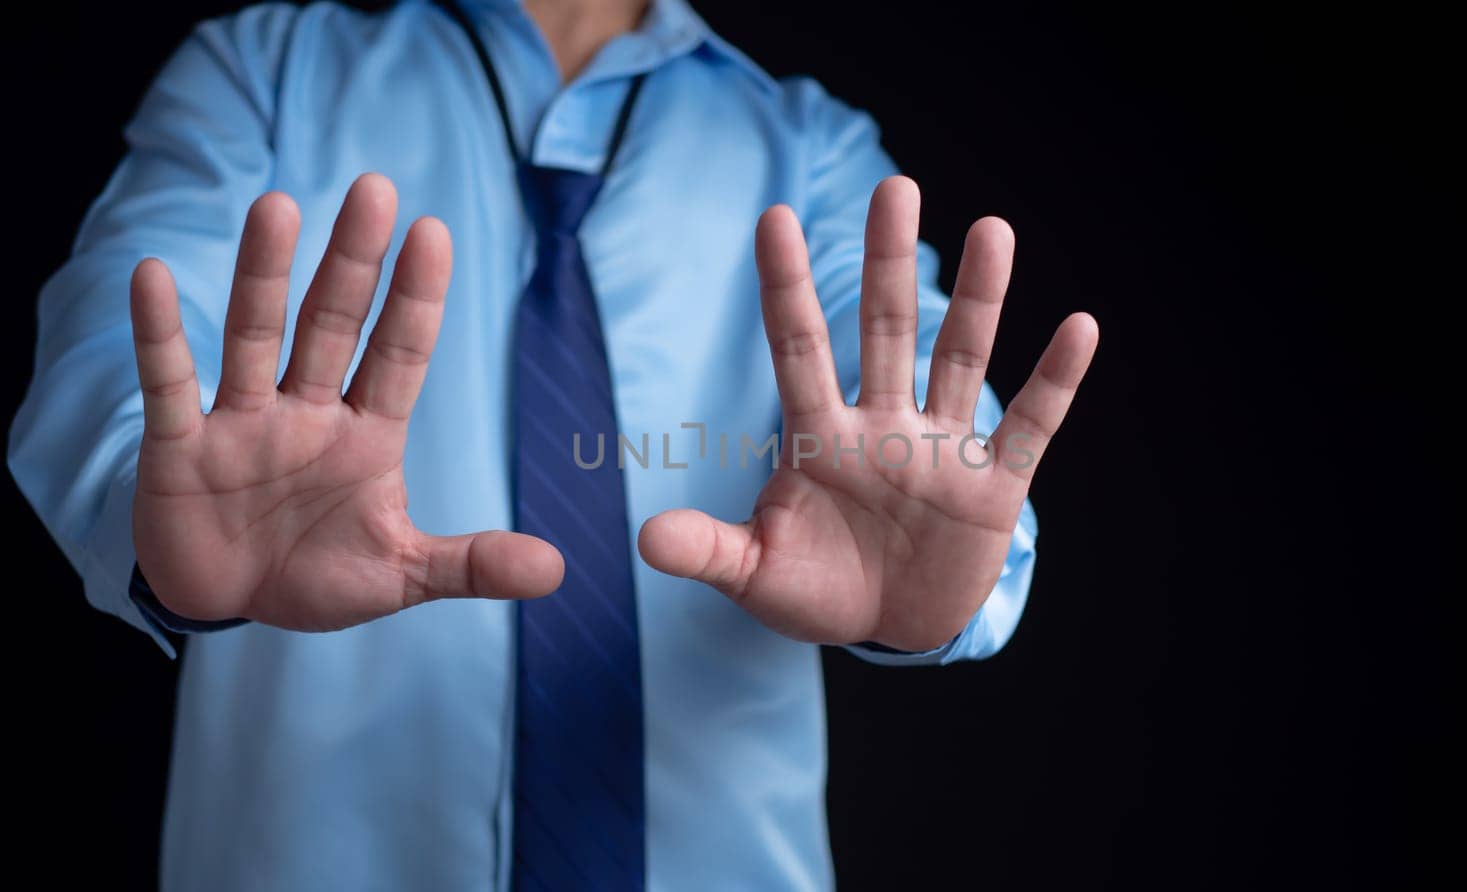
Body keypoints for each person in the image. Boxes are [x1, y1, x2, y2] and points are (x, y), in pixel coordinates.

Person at [7, 0, 1098, 888]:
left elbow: (920, 414)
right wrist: (142, 491)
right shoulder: (262, 67)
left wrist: (946, 592)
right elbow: (118, 321)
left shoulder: (811, 147)